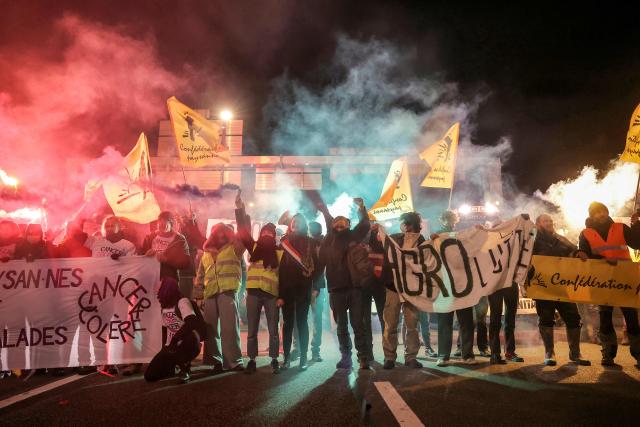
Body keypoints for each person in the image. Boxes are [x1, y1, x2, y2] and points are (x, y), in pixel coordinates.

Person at [578, 202, 640, 367]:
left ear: (607, 212)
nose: (601, 215)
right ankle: (608, 354)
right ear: (591, 215)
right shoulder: (585, 233)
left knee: (632, 319)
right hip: (602, 282)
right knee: (605, 319)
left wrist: (637, 225)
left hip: (623, 280)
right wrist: (583, 254)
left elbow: (637, 244)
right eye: (596, 212)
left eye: (603, 211)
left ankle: (639, 354)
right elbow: (585, 255)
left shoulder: (621, 228)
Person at [317, 197, 371, 370]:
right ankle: (345, 357)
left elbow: (364, 224)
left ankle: (363, 358)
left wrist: (362, 208)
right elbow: (328, 221)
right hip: (336, 290)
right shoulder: (329, 240)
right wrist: (325, 210)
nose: (339, 224)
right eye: (336, 222)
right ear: (333, 226)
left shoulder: (353, 236)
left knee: (357, 325)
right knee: (341, 327)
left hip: (354, 289)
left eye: (343, 222)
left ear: (348, 225)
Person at [532, 214, 590, 366]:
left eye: (551, 221)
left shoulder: (561, 239)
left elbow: (573, 250)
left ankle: (575, 353)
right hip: (543, 288)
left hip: (563, 288)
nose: (549, 223)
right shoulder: (532, 242)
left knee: (573, 318)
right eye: (546, 221)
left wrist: (579, 253)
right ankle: (549, 353)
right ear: (538, 224)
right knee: (546, 319)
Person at [82, 216, 137, 375]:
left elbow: (133, 266)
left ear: (120, 227)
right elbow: (75, 237)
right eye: (108, 225)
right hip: (97, 290)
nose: (110, 227)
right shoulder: (96, 241)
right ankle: (98, 361)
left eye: (114, 225)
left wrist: (121, 261)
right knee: (97, 327)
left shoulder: (128, 246)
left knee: (116, 327)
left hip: (117, 292)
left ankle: (114, 362)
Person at [234, 192, 282, 374]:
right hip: (254, 293)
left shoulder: (280, 253)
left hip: (271, 296)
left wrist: (281, 296)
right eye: (265, 232)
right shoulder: (254, 247)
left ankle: (274, 359)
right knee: (252, 329)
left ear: (274, 236)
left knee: (273, 329)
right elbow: (242, 231)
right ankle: (252, 360)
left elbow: (284, 277)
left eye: (270, 232)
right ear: (261, 234)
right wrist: (240, 209)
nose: (267, 235)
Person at [196, 221, 245, 373]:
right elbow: (200, 275)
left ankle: (234, 362)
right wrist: (198, 295)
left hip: (228, 291)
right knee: (210, 329)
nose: (221, 234)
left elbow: (244, 235)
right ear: (213, 235)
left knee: (229, 328)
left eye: (224, 231)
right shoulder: (206, 253)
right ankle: (214, 361)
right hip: (210, 293)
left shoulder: (235, 248)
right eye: (217, 232)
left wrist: (240, 211)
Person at [430, 211, 476, 366]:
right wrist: (433, 240)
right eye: (447, 219)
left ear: (456, 221)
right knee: (444, 322)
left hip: (462, 284)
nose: (450, 222)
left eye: (452, 220)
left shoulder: (461, 235)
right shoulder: (435, 236)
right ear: (441, 219)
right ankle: (443, 355)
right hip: (445, 285)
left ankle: (467, 354)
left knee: (466, 322)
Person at [381, 212, 425, 369]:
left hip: (412, 288)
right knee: (390, 322)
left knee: (412, 323)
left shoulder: (421, 240)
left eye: (407, 223)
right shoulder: (393, 238)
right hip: (393, 287)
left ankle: (411, 357)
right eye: (404, 223)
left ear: (414, 224)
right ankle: (389, 357)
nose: (405, 226)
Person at [13, 224, 59, 375]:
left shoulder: (48, 247)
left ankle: (53, 363)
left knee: (47, 331)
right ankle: (36, 364)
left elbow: (55, 262)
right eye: (31, 233)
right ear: (26, 234)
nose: (34, 235)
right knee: (31, 332)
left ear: (41, 234)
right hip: (26, 296)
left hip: (45, 295)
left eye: (36, 233)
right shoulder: (18, 249)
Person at [145, 278, 205, 383]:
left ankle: (185, 368)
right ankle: (173, 366)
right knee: (150, 376)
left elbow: (191, 322)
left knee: (188, 339)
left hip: (188, 343)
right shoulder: (164, 307)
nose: (158, 290)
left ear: (167, 289)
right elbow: (165, 329)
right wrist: (164, 349)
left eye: (160, 287)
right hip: (171, 347)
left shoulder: (182, 302)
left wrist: (175, 339)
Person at [279, 213, 319, 371]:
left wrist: (315, 287)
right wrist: (280, 295)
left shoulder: (310, 242)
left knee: (302, 323)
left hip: (304, 288)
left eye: (299, 222)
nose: (295, 224)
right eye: (293, 222)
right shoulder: (284, 242)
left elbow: (317, 266)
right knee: (288, 324)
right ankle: (287, 358)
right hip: (287, 289)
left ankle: (303, 358)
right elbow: (281, 270)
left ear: (304, 225)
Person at [141, 211, 191, 282]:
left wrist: (166, 260)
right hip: (150, 278)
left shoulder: (179, 239)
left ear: (171, 223)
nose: (161, 227)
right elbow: (140, 255)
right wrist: (145, 254)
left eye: (164, 224)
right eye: (160, 224)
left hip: (168, 279)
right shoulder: (150, 237)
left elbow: (186, 263)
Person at [365, 223, 387, 362]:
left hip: (378, 283)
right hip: (367, 284)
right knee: (366, 320)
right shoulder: (361, 241)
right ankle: (368, 352)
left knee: (384, 319)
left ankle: (388, 353)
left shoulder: (382, 241)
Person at [309, 221, 328, 363]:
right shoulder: (307, 242)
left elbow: (320, 268)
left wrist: (316, 287)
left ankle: (314, 350)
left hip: (317, 287)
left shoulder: (322, 244)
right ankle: (310, 350)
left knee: (316, 320)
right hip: (307, 286)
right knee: (313, 320)